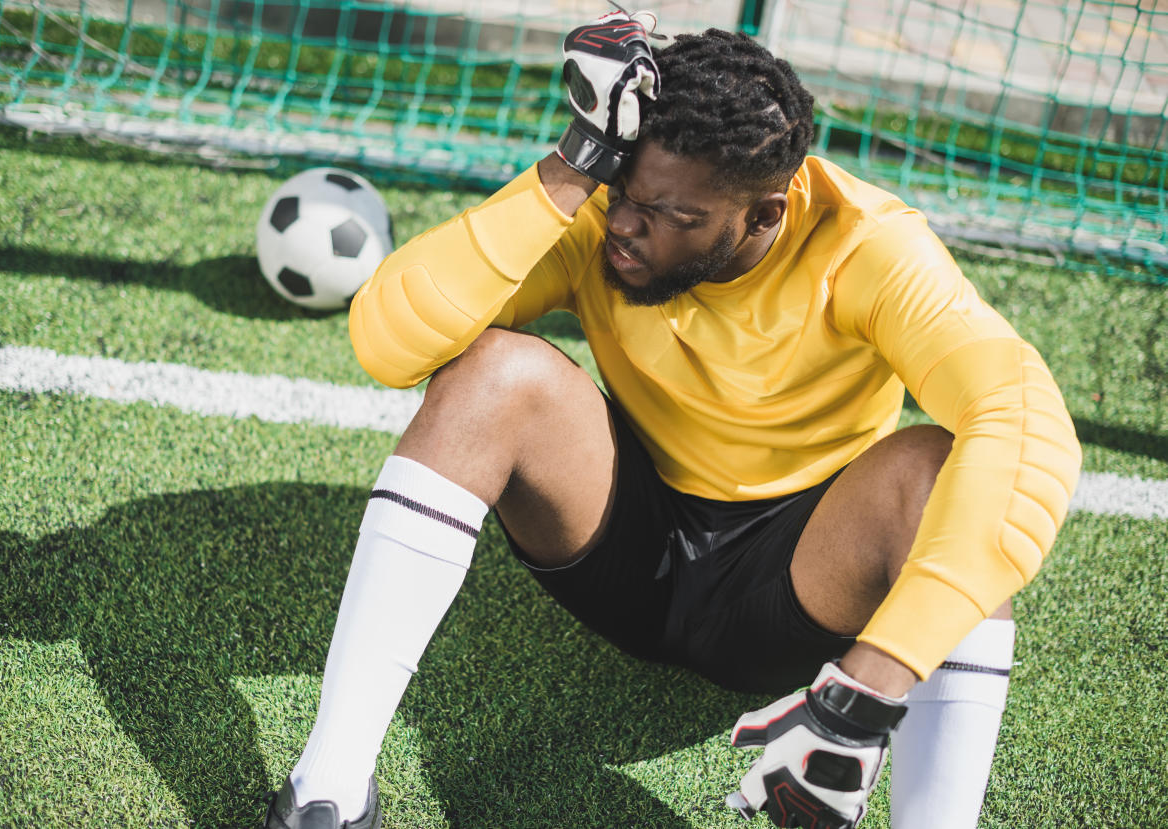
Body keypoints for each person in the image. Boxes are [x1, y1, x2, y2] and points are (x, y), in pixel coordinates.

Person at [263, 11, 1082, 829]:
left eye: (672, 215)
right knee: (490, 372)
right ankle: (328, 789)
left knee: (950, 476)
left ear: (764, 214)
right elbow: (386, 339)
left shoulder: (867, 248)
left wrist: (865, 689)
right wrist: (576, 164)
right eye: (625, 193)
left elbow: (1023, 419)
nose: (625, 223)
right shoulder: (597, 212)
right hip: (628, 547)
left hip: (800, 585)